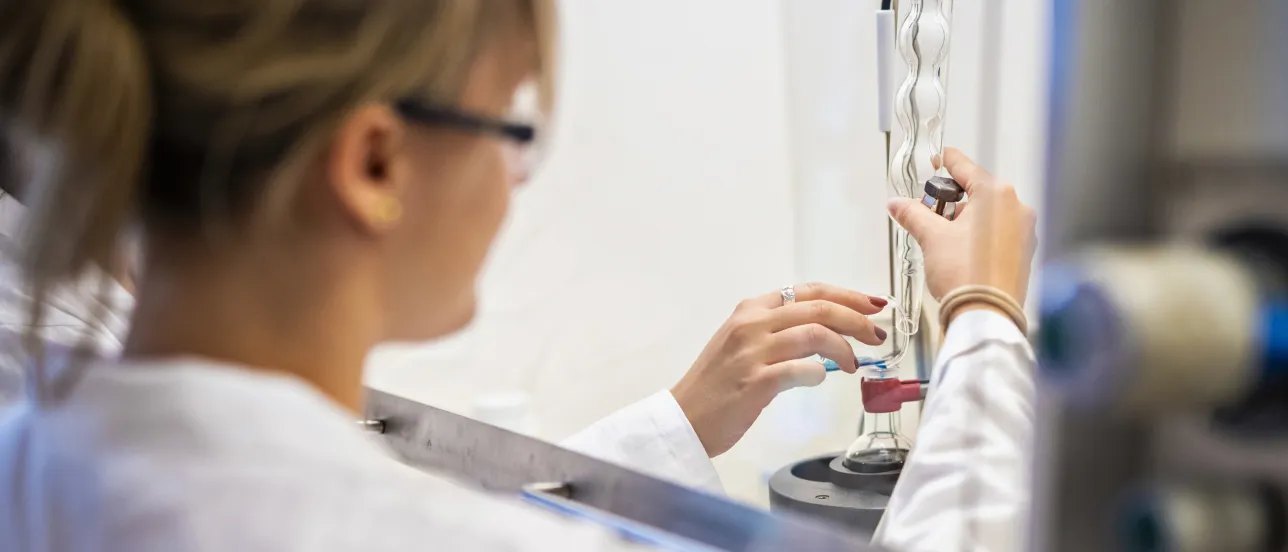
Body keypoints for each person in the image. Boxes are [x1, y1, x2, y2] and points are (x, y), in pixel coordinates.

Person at [0, 2, 1038, 551]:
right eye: (512, 125)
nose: (511, 180)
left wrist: (673, 425)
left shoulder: (34, 452)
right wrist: (986, 316)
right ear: (372, 165)